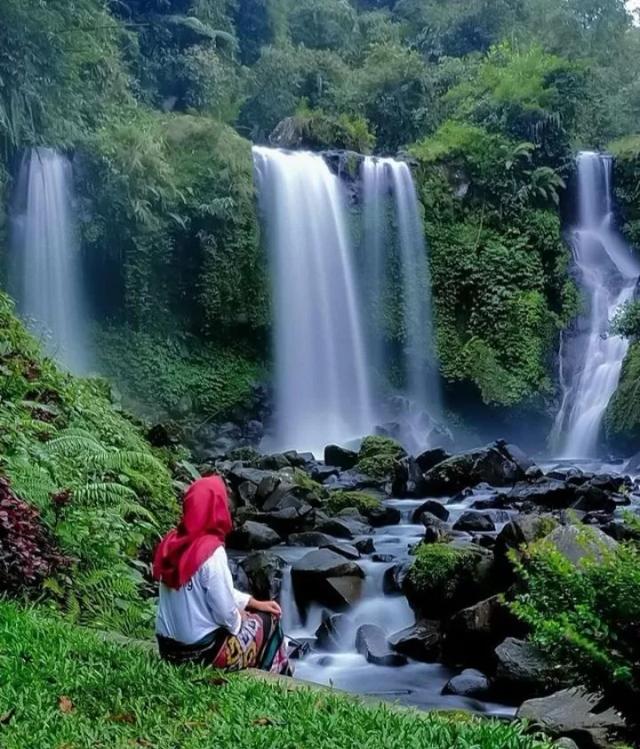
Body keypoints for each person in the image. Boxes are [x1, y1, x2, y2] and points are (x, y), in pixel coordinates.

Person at [153, 475, 291, 675]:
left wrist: (252, 602)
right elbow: (225, 614)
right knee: (270, 622)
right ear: (216, 508)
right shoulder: (210, 552)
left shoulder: (172, 544)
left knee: (257, 614)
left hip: (168, 650)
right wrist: (240, 618)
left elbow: (210, 588)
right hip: (202, 654)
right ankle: (278, 678)